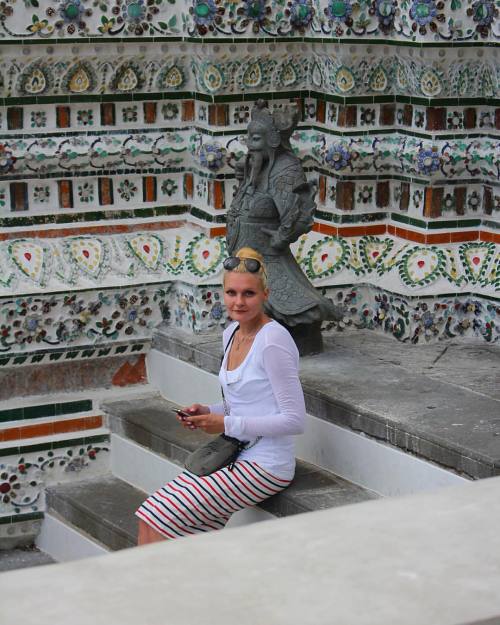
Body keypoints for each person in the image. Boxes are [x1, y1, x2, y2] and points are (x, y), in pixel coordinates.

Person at [135, 247, 306, 544]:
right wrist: (207, 411)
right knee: (149, 521)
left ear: (265, 294)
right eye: (231, 293)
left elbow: (294, 420)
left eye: (248, 294)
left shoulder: (273, 341)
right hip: (232, 455)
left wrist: (225, 424)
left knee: (157, 519)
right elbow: (240, 403)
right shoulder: (230, 334)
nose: (238, 302)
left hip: (266, 464)